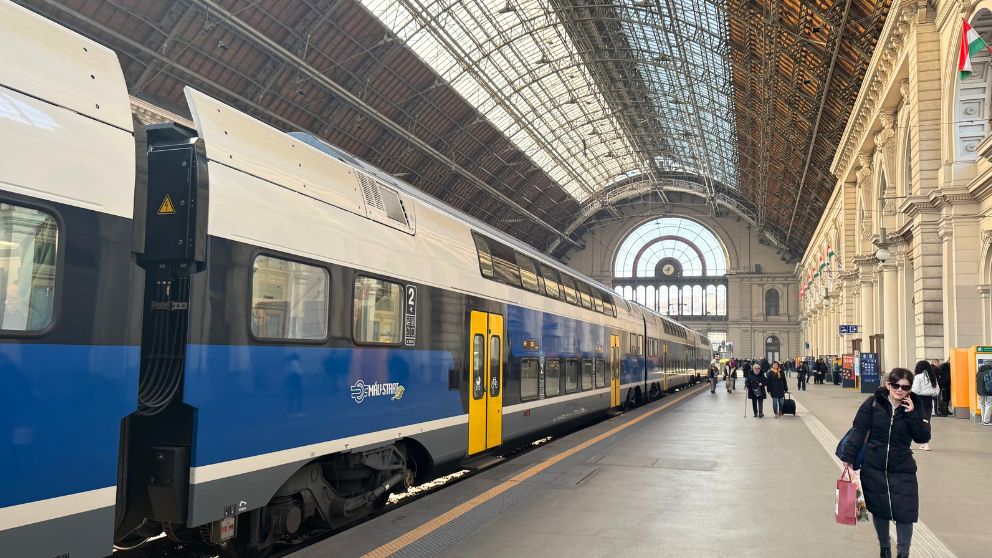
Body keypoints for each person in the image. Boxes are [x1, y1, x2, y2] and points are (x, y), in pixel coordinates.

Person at [841, 368, 930, 558]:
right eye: (896, 385)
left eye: (905, 387)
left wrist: (912, 414)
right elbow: (858, 430)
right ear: (888, 384)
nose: (900, 390)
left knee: (906, 511)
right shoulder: (873, 403)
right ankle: (885, 548)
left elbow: (923, 436)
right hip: (874, 465)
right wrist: (848, 459)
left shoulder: (916, 404)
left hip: (903, 466)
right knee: (879, 509)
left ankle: (903, 553)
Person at [911, 360, 939, 450]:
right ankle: (925, 443)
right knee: (926, 421)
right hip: (929, 400)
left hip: (918, 400)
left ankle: (909, 443)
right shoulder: (932, 377)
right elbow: (936, 392)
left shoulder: (918, 377)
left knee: (914, 421)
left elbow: (915, 390)